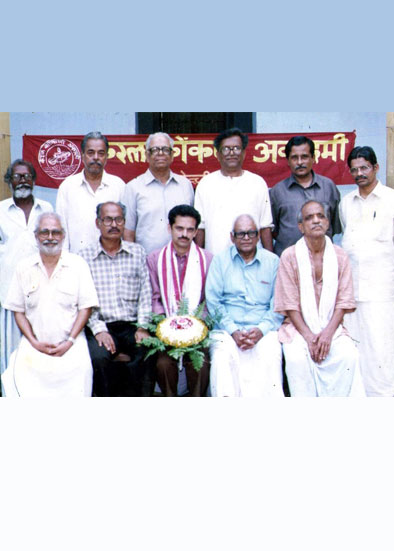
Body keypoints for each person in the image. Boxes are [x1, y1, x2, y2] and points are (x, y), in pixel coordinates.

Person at [2, 213, 98, 397]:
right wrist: (33, 341)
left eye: (56, 232)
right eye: (44, 232)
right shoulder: (24, 267)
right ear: (36, 236)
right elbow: (18, 311)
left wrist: (69, 341)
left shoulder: (78, 265)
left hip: (72, 344)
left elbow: (86, 308)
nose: (50, 237)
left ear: (63, 235)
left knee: (82, 374)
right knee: (17, 376)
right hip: (34, 345)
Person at [274, 200, 363, 397]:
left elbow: (344, 301)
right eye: (309, 218)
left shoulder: (340, 256)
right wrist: (309, 337)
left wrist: (327, 335)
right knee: (296, 358)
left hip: (331, 327)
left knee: (349, 355)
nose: (316, 221)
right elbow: (289, 304)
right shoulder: (289, 256)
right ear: (301, 226)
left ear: (328, 222)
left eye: (320, 216)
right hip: (298, 329)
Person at [79, 201, 154, 397]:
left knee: (147, 352)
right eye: (108, 219)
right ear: (98, 223)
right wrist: (98, 331)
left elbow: (146, 292)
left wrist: (143, 327)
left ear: (124, 222)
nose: (114, 224)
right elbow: (83, 300)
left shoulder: (137, 252)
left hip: (132, 326)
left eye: (119, 219)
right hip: (102, 325)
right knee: (98, 358)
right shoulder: (84, 256)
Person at [205, 214, 283, 397]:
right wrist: (233, 330)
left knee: (271, 353)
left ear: (258, 236)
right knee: (221, 357)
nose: (246, 238)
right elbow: (214, 302)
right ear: (232, 237)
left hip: (263, 328)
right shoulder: (219, 261)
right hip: (227, 329)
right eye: (241, 234)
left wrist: (261, 330)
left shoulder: (273, 262)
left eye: (250, 233)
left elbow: (278, 303)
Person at [340, 146, 394, 397]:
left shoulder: (391, 201)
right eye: (354, 169)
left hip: (382, 293)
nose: (359, 173)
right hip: (353, 294)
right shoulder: (346, 203)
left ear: (376, 168)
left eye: (364, 168)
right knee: (356, 354)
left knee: (381, 355)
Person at [146, 204, 213, 396]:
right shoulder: (155, 259)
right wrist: (167, 329)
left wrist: (195, 328)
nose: (184, 234)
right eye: (179, 228)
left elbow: (207, 301)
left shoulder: (207, 259)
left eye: (190, 229)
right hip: (165, 331)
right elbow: (155, 297)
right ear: (170, 228)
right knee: (163, 363)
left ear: (196, 232)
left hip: (197, 330)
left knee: (201, 363)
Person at [0, 159, 53, 381]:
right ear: (9, 181)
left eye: (26, 175)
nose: (22, 180)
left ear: (34, 179)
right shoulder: (0, 210)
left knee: (39, 346)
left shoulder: (46, 208)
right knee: (10, 349)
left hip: (41, 290)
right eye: (17, 176)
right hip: (9, 290)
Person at [194, 128, 273, 255]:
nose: (231, 153)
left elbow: (265, 226)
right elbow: (200, 228)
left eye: (236, 148)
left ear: (244, 153)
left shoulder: (257, 183)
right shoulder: (205, 184)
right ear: (218, 154)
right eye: (226, 149)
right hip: (216, 260)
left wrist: (271, 262)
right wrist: (200, 261)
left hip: (252, 262)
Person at [122, 132, 194, 254]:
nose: (160, 153)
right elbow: (128, 233)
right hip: (146, 264)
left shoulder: (185, 185)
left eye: (165, 149)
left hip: (181, 262)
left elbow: (192, 225)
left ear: (172, 155)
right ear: (147, 155)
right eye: (155, 149)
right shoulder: (133, 188)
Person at [270, 135, 341, 256]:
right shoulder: (277, 191)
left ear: (313, 158)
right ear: (287, 161)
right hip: (289, 262)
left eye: (304, 157)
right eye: (294, 158)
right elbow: (273, 231)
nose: (300, 162)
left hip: (323, 259)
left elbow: (333, 226)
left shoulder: (328, 187)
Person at [56, 131, 125, 252]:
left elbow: (125, 228)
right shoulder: (68, 186)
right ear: (82, 156)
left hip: (112, 262)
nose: (96, 157)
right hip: (77, 262)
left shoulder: (118, 186)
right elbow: (61, 229)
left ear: (107, 157)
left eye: (101, 153)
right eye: (90, 153)